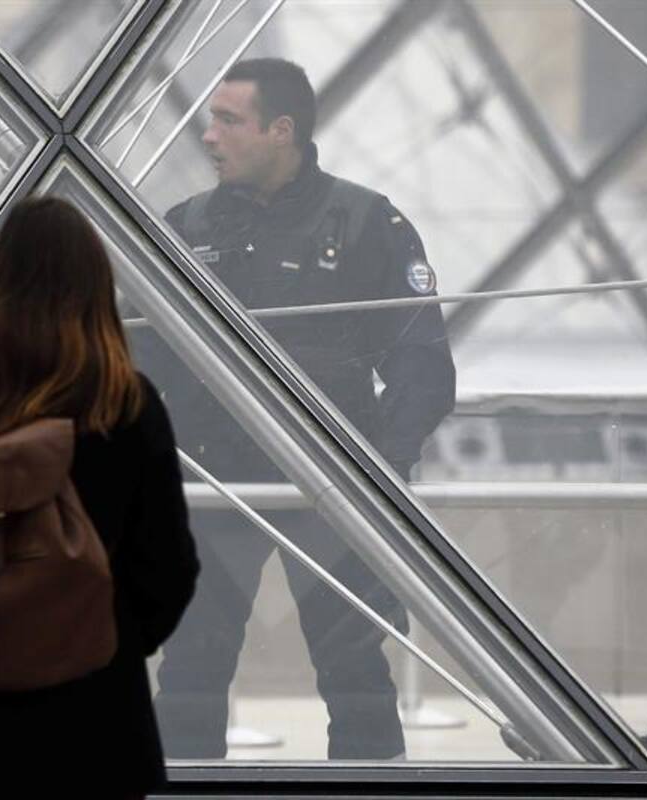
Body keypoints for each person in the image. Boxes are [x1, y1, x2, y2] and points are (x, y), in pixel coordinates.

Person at [147, 58, 456, 760]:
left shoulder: (365, 221)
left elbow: (422, 363)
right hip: (217, 486)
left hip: (332, 487)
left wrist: (379, 477)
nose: (208, 135)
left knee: (356, 676)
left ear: (280, 129)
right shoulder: (183, 227)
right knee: (190, 674)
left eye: (228, 120)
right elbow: (136, 366)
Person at [0, 197, 200, 797]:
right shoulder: (125, 404)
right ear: (95, 287)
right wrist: (105, 640)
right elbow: (169, 567)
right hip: (91, 719)